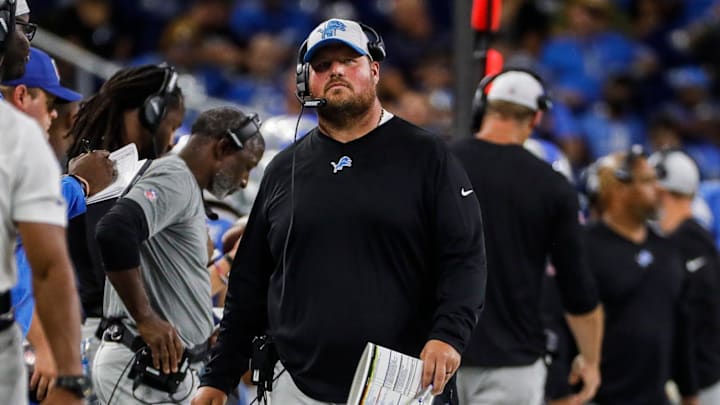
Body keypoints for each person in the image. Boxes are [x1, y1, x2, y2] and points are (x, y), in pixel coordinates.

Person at [193, 18, 486, 405]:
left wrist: (448, 335)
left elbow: (464, 257)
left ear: (375, 70)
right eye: (322, 65)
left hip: (398, 383)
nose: (336, 70)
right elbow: (248, 286)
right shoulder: (285, 168)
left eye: (349, 60)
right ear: (305, 81)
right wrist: (219, 376)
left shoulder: (426, 156)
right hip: (294, 384)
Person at [450, 70, 603, 405]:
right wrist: (589, 360)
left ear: (484, 108)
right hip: (510, 362)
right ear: (535, 118)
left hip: (433, 356)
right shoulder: (552, 185)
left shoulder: (438, 162)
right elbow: (577, 288)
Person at [93, 106, 265, 404]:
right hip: (141, 369)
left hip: (162, 374)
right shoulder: (176, 175)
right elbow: (114, 229)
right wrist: (145, 318)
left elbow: (173, 282)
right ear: (223, 147)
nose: (244, 182)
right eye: (246, 166)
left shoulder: (186, 186)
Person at [3, 45, 114, 402]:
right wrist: (78, 185)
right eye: (48, 103)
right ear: (22, 95)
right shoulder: (16, 141)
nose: (53, 116)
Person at [64, 64, 185, 359]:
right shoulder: (108, 179)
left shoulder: (84, 165)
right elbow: (108, 266)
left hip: (95, 335)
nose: (171, 141)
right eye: (172, 127)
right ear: (151, 112)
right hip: (110, 339)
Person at [0, 0, 87, 403]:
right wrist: (67, 369)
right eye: (22, 28)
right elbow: (47, 267)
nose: (27, 42)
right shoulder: (18, 138)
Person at [586, 147, 697, 404]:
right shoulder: (584, 249)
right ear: (619, 189)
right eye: (647, 180)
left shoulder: (668, 250)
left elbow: (681, 329)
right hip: (599, 398)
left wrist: (690, 394)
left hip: (657, 398)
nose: (658, 188)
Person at [650, 149, 720, 405]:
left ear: (661, 189)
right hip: (698, 377)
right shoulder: (699, 238)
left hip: (693, 385)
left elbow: (687, 322)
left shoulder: (688, 243)